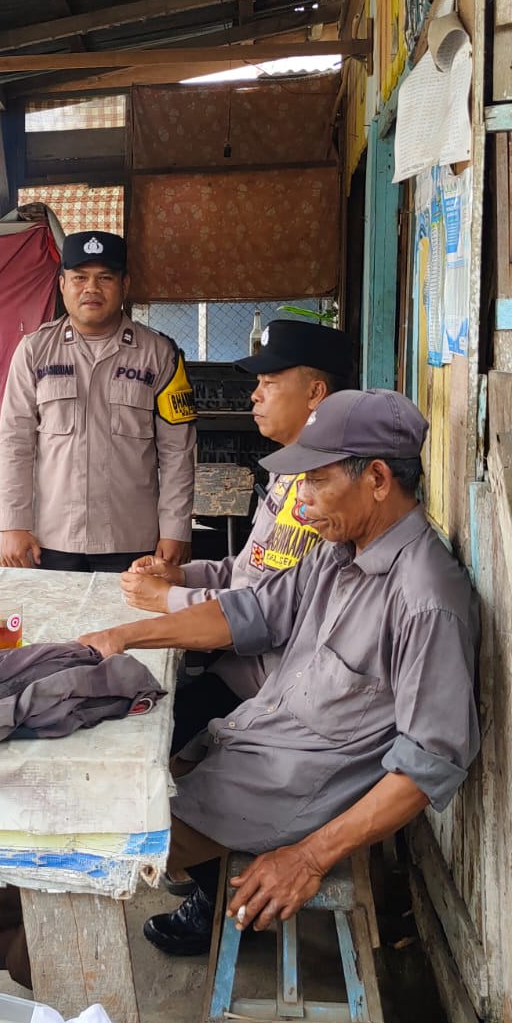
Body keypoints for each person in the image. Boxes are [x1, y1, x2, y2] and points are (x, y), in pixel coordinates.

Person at [0, 390, 476, 978]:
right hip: (249, 747)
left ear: (376, 477)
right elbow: (251, 613)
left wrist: (309, 856)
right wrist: (126, 635)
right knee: (95, 796)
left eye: (316, 481)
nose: (302, 501)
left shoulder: (427, 601)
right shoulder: (338, 551)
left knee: (93, 842)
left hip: (289, 796)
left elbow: (428, 764)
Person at [120, 320, 358, 756]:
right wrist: (180, 575)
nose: (255, 394)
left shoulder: (332, 491)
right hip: (239, 667)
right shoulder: (290, 468)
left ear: (316, 393)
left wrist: (166, 599)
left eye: (270, 382)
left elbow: (270, 611)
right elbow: (246, 567)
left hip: (277, 690)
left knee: (141, 740)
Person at [0, 230, 197, 573]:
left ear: (125, 284)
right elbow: (15, 442)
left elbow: (179, 450)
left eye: (105, 277)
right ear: (62, 285)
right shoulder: (34, 351)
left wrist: (176, 528)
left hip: (132, 536)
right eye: (79, 278)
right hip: (53, 537)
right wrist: (13, 524)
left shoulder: (158, 354)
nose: (91, 288)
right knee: (55, 627)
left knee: (133, 627)